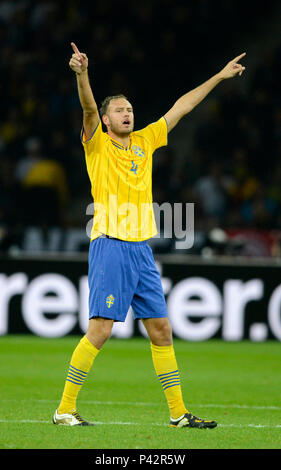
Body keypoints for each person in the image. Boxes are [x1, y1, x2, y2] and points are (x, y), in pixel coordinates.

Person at [53, 42, 246, 427]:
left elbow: (182, 107)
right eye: (120, 111)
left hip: (141, 250)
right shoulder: (97, 145)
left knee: (161, 330)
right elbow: (88, 108)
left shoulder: (146, 140)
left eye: (130, 109)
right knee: (101, 330)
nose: (127, 114)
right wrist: (82, 74)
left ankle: (178, 415)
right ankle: (64, 410)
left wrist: (219, 77)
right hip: (110, 244)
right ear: (106, 121)